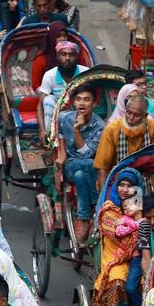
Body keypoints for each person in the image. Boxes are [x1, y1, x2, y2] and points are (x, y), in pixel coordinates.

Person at [91, 168, 144, 306]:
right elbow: (118, 235)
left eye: (130, 185)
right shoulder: (109, 210)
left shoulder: (141, 208)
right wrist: (138, 225)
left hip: (139, 255)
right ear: (116, 187)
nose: (126, 190)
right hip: (115, 255)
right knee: (118, 282)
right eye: (122, 185)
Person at [55, 86, 105, 243]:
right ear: (73, 102)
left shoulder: (99, 126)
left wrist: (77, 131)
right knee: (84, 166)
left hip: (89, 168)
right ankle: (96, 203)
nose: (82, 103)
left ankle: (83, 218)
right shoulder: (64, 117)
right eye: (78, 99)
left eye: (86, 99)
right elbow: (61, 135)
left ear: (94, 103)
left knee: (82, 173)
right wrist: (62, 153)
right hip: (71, 163)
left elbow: (85, 153)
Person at [94, 91, 154, 185]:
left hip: (145, 181)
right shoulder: (112, 129)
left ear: (145, 116)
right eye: (129, 112)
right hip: (117, 182)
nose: (131, 118)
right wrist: (104, 198)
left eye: (136, 115)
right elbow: (102, 167)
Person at [37, 38, 89, 132]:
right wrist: (42, 130)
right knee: (48, 100)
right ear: (57, 56)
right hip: (59, 114)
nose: (67, 58)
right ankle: (50, 137)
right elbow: (40, 105)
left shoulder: (85, 73)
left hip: (80, 112)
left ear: (77, 57)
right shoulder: (50, 75)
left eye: (71, 55)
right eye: (63, 54)